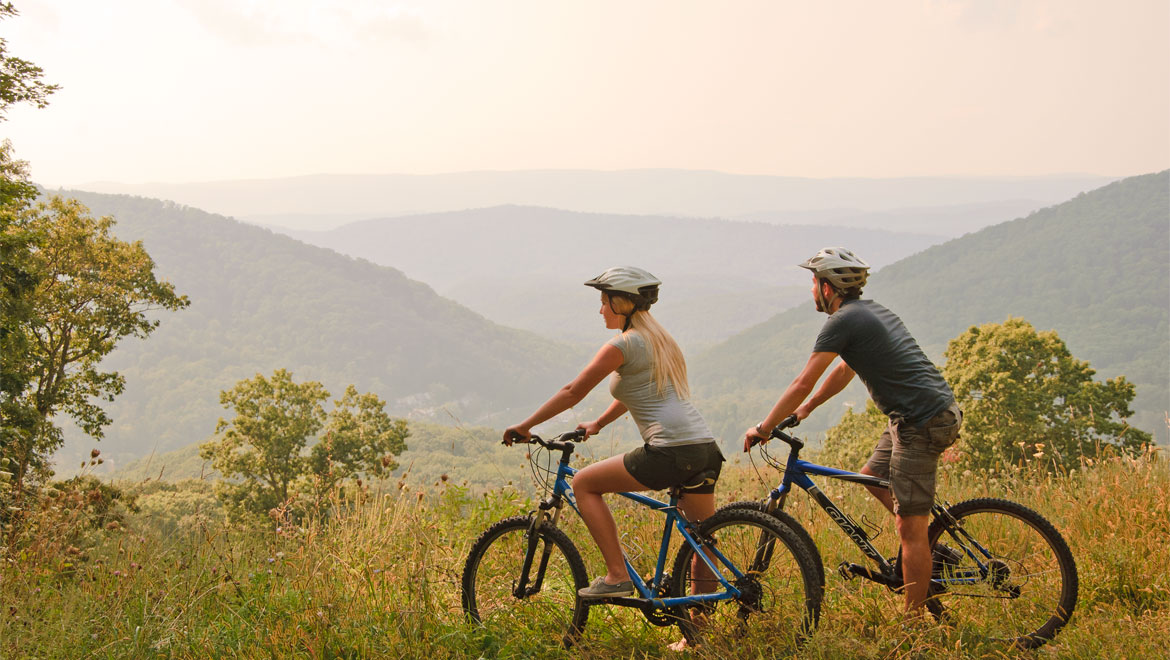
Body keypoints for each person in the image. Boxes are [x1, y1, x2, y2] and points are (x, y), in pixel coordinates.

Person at [742, 247, 961, 615]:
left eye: (814, 282)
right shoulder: (869, 312)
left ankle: (914, 624)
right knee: (871, 477)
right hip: (918, 415)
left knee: (910, 529)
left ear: (828, 287)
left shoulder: (842, 321)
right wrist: (807, 409)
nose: (812, 290)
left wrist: (764, 428)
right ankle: (931, 550)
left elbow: (801, 381)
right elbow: (844, 369)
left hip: (921, 422)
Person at [503, 266, 724, 608]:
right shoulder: (660, 341)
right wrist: (599, 424)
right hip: (704, 448)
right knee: (702, 541)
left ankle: (616, 576)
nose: (601, 309)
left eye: (604, 302)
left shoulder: (622, 345)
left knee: (584, 485)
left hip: (668, 451)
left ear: (622, 304)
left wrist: (526, 426)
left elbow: (573, 391)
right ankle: (696, 634)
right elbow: (638, 392)